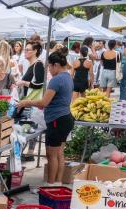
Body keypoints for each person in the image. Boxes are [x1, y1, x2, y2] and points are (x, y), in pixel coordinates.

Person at [17, 50, 73, 184]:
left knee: (52, 155)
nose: (49, 70)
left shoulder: (56, 80)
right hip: (66, 118)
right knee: (59, 154)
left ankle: (50, 184)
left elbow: (43, 103)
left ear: (56, 65)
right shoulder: (68, 77)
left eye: (49, 67)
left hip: (57, 121)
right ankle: (57, 184)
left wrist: (26, 102)